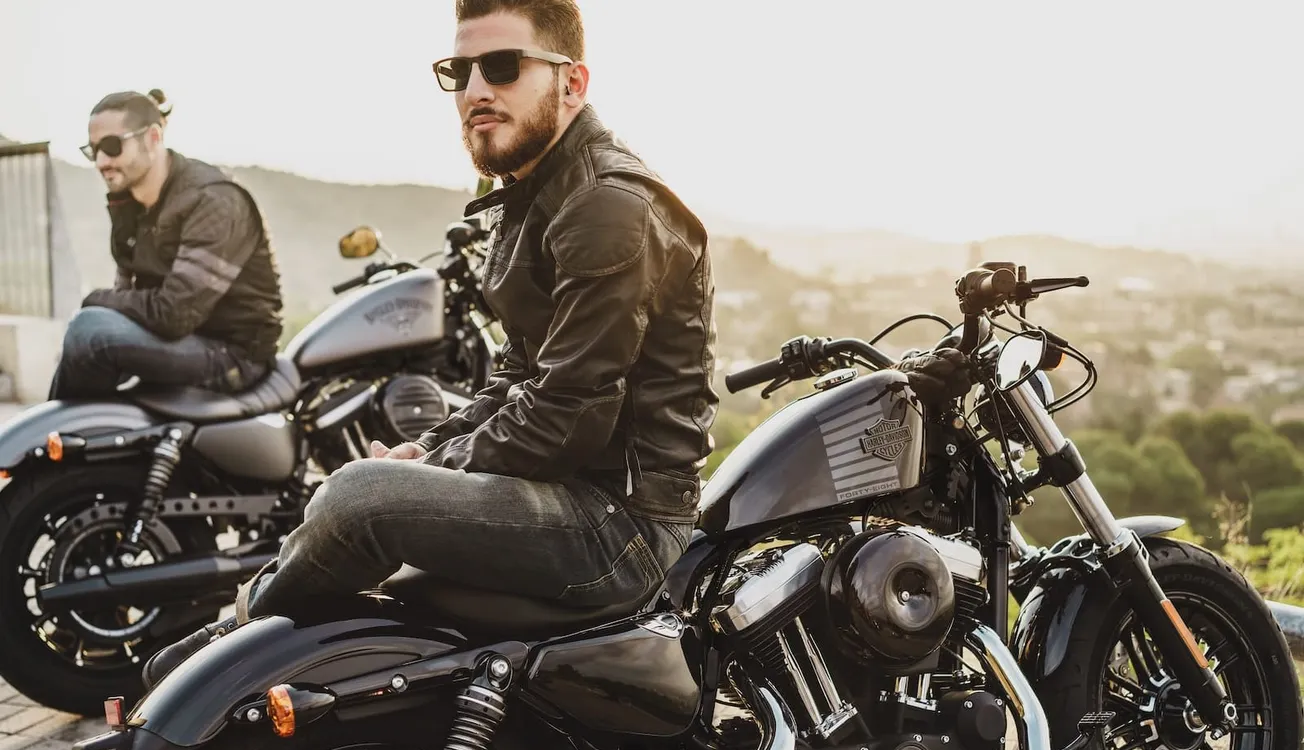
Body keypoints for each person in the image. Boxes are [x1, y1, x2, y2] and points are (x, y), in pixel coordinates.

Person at [142, 0, 972, 686]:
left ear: (572, 82)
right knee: (370, 482)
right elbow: (515, 376)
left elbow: (566, 416)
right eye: (457, 72)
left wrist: (426, 470)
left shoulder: (606, 203)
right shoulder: (533, 194)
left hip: (621, 526)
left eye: (502, 67)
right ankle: (252, 639)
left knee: (360, 499)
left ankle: (233, 645)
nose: (474, 88)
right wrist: (433, 445)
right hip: (570, 499)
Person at [48, 89, 283, 401]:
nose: (102, 161)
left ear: (153, 138)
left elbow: (174, 315)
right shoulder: (130, 204)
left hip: (234, 354)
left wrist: (95, 299)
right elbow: (128, 293)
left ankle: (58, 442)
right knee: (86, 339)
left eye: (112, 146)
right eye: (93, 151)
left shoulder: (212, 200)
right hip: (179, 340)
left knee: (89, 332)